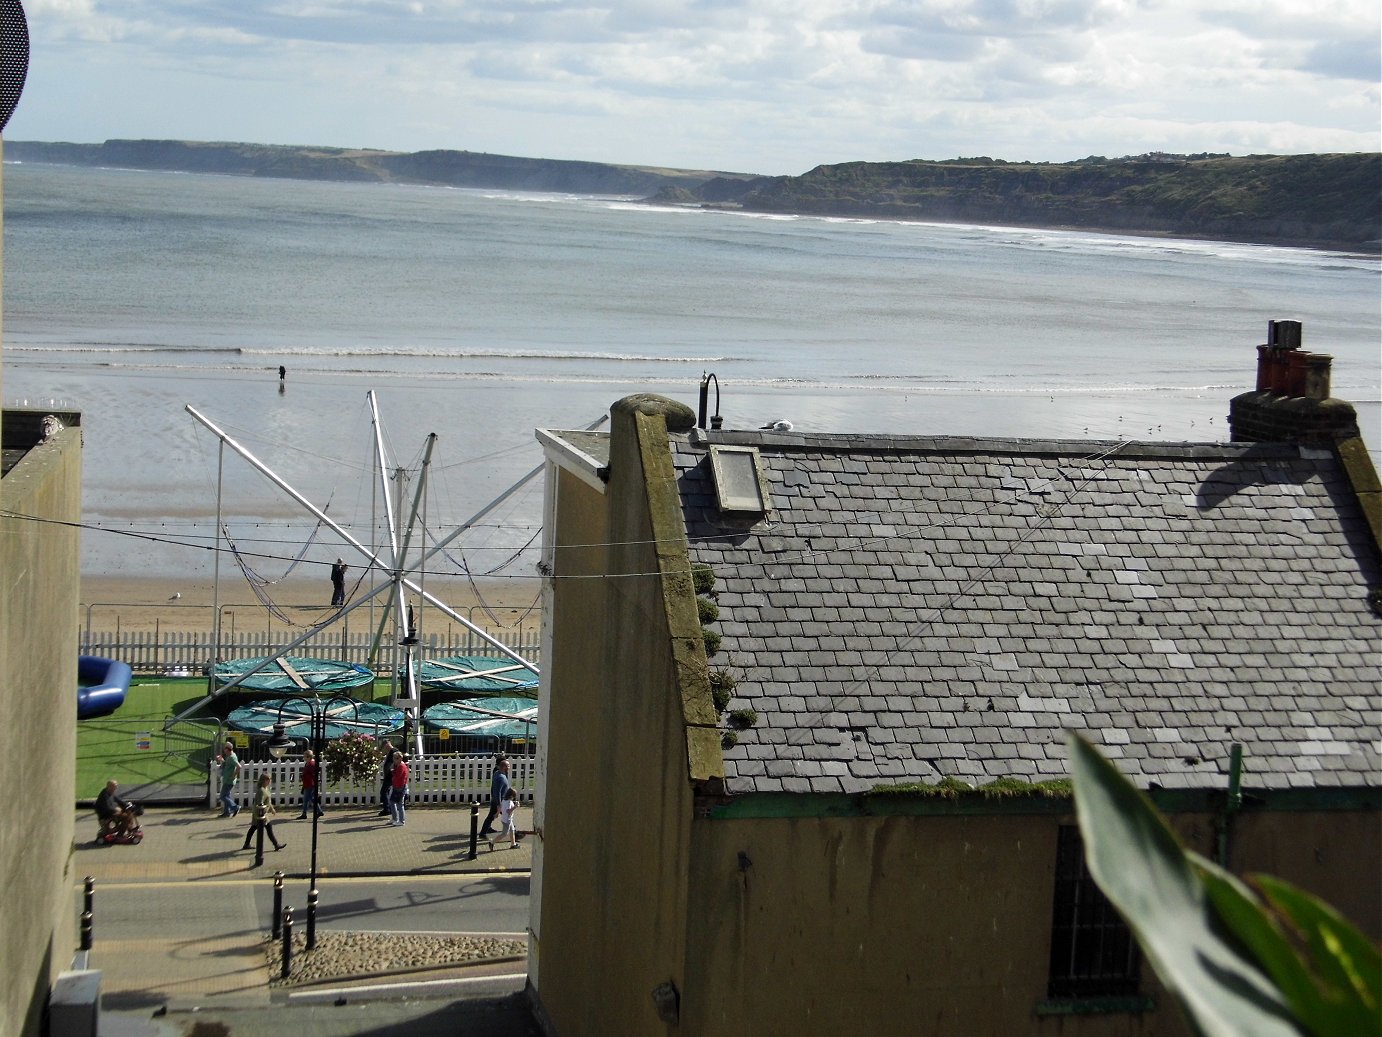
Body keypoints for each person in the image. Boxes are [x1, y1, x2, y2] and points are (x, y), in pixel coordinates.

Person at [242, 773, 286, 852]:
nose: (270, 781)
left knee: (258, 828)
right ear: (264, 781)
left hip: (263, 814)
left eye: (270, 779)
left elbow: (268, 801)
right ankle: (275, 845)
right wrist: (262, 815)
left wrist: (272, 809)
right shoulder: (261, 791)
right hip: (259, 814)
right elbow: (259, 803)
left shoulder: (266, 789)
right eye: (268, 779)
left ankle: (275, 844)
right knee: (255, 828)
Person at [478, 755, 511, 837]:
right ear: (503, 766)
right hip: (500, 801)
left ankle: (483, 832)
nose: (509, 767)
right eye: (508, 766)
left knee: (491, 816)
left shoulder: (498, 773)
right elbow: (498, 791)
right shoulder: (500, 777)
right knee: (507, 816)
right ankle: (513, 833)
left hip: (498, 800)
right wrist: (499, 804)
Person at [216, 741, 241, 818]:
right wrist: (222, 760)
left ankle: (235, 807)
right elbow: (227, 765)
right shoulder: (230, 756)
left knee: (222, 796)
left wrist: (233, 775)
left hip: (228, 780)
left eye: (225, 748)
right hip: (228, 780)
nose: (224, 750)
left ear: (227, 749)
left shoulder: (231, 757)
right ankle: (226, 812)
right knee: (227, 796)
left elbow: (239, 766)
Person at [297, 748, 324, 819]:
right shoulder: (308, 763)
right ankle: (318, 811)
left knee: (308, 799)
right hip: (307, 783)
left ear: (308, 757)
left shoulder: (312, 764)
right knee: (309, 799)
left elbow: (312, 774)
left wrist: (303, 776)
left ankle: (305, 813)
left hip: (310, 783)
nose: (304, 758)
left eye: (305, 756)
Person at [388, 751, 409, 826]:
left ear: (399, 759)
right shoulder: (398, 766)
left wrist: (392, 771)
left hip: (400, 787)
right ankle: (395, 818)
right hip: (397, 786)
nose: (394, 760)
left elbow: (398, 776)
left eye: (395, 759)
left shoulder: (401, 767)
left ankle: (401, 821)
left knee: (400, 804)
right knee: (392, 801)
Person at [378, 746, 396, 817]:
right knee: (387, 792)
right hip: (388, 775)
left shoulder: (393, 751)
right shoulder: (391, 751)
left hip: (389, 776)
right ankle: (388, 808)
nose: (385, 748)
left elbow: (393, 763)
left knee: (383, 791)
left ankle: (387, 809)